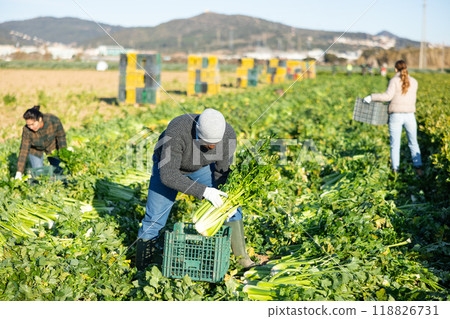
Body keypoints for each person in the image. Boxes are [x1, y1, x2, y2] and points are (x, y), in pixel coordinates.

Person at [136, 108, 256, 270]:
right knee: (154, 220)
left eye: (215, 145)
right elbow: (168, 175)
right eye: (207, 144)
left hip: (201, 168)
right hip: (168, 168)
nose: (211, 147)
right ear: (197, 132)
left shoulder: (228, 135)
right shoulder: (178, 129)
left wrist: (228, 203)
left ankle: (243, 259)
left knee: (229, 204)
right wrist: (204, 191)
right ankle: (142, 268)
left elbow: (222, 172)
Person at [364, 60, 423, 176]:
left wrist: (371, 97)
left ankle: (395, 171)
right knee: (413, 143)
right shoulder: (414, 82)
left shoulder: (394, 81)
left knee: (395, 144)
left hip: (396, 116)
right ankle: (419, 169)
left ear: (396, 69)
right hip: (410, 115)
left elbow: (387, 97)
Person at [15, 105, 66, 180]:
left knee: (58, 169)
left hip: (52, 146)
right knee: (38, 174)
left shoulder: (53, 120)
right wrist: (19, 172)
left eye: (33, 124)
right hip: (35, 150)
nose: (31, 127)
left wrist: (64, 154)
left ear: (40, 119)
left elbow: (61, 137)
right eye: (29, 125)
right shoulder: (27, 130)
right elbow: (24, 150)